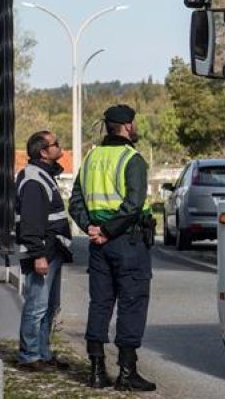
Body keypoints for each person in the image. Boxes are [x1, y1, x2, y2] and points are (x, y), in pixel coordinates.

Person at [69, 104, 157, 392]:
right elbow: (133, 205)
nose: (135, 127)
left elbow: (75, 202)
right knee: (132, 302)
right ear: (127, 126)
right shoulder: (132, 159)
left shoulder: (91, 158)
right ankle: (127, 373)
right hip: (127, 242)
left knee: (100, 303)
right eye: (134, 123)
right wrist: (107, 231)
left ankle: (96, 372)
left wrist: (91, 229)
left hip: (99, 245)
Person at [14, 130, 73, 371]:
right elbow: (30, 223)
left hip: (51, 250)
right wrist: (38, 255)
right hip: (42, 253)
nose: (60, 147)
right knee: (37, 306)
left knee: (48, 306)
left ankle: (43, 353)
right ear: (43, 152)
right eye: (55, 144)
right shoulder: (33, 179)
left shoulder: (43, 175)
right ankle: (30, 356)